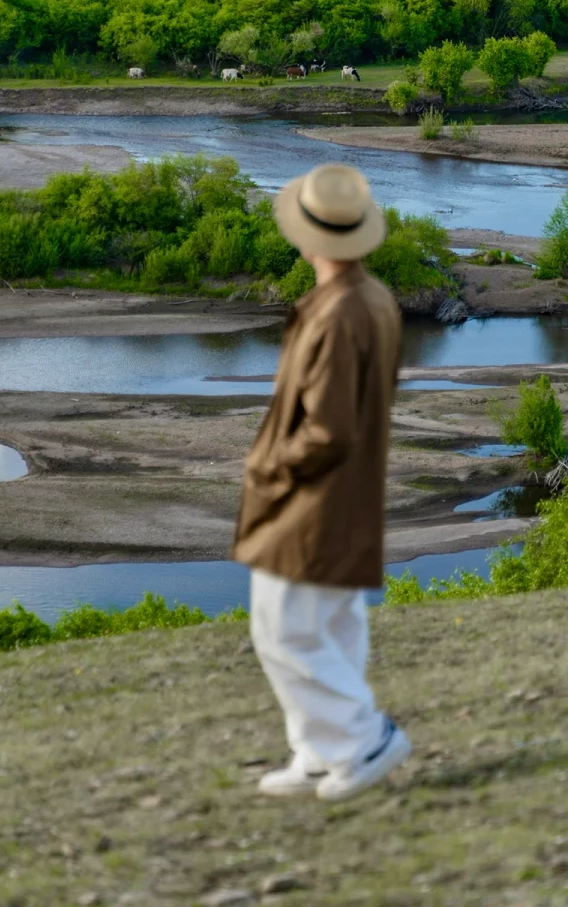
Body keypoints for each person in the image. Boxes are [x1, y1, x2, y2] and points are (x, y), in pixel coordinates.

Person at [233, 162, 412, 801]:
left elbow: (328, 430)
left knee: (283, 628)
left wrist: (269, 465)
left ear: (309, 238)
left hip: (313, 497)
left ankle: (363, 739)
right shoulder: (373, 298)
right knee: (333, 624)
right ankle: (317, 752)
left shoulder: (337, 313)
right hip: (350, 492)